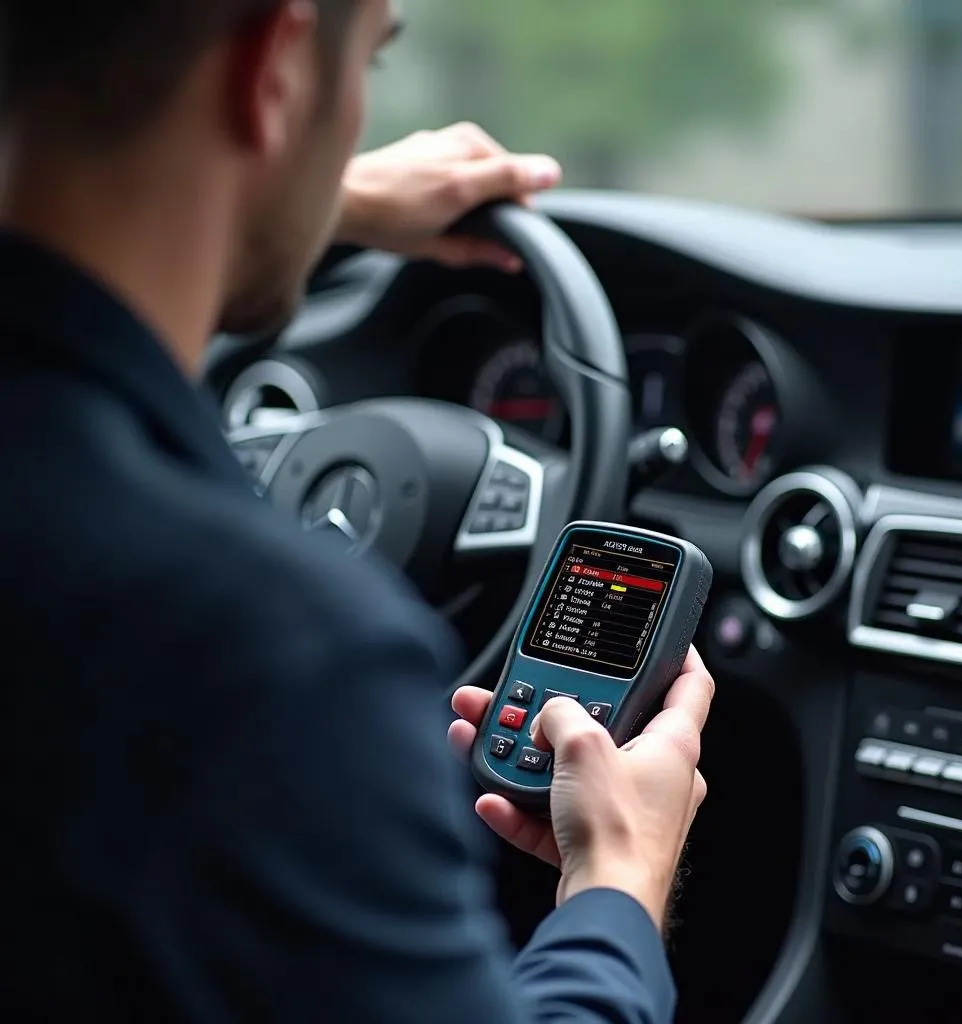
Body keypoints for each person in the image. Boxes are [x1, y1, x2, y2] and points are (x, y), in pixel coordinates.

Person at [0, 1, 715, 1021]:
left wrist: (304, 195)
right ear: (274, 67)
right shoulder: (274, 660)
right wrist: (618, 880)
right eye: (369, 61)